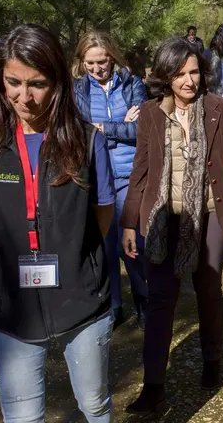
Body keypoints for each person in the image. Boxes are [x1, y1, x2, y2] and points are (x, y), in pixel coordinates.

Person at [0, 23, 116, 422]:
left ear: (59, 82)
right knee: (23, 416)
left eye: (38, 84)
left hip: (82, 301)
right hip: (13, 307)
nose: (24, 98)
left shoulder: (86, 140)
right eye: (13, 82)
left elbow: (102, 213)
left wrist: (71, 252)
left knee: (94, 405)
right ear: (0, 79)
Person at [122, 36, 223, 414]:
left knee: (209, 289)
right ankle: (153, 386)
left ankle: (212, 358)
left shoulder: (222, 109)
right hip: (165, 219)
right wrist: (130, 222)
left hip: (211, 215)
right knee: (160, 297)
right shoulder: (150, 113)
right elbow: (141, 172)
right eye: (179, 74)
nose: (189, 80)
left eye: (194, 71)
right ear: (165, 76)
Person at [72, 31, 149, 329]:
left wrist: (104, 128)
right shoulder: (78, 91)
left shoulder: (132, 85)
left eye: (102, 62)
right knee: (104, 248)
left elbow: (143, 130)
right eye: (89, 63)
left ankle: (144, 301)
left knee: (132, 245)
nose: (96, 69)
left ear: (113, 58)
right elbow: (79, 134)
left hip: (130, 177)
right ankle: (112, 306)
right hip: (97, 178)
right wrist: (119, 127)